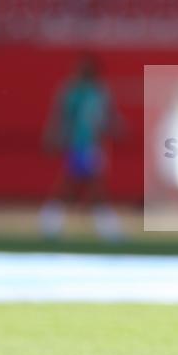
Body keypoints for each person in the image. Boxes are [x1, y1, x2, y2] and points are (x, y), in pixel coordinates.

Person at [40, 54, 125, 241]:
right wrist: (55, 136)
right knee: (88, 186)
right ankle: (109, 230)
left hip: (94, 146)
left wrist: (117, 127)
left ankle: (50, 222)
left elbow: (107, 116)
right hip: (80, 144)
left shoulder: (100, 92)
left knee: (77, 187)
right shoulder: (73, 92)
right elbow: (62, 116)